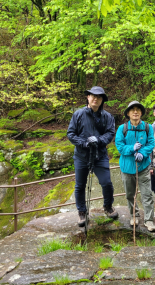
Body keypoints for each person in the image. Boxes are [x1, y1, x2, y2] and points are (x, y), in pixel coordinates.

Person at [67, 86, 118, 227]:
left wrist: (99, 140)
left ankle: (108, 206)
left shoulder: (107, 117)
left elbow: (110, 133)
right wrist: (84, 143)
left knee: (107, 183)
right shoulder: (78, 114)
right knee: (80, 186)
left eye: (99, 97)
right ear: (88, 97)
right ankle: (82, 212)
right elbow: (71, 134)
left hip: (100, 156)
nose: (95, 99)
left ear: (102, 100)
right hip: (81, 156)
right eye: (93, 96)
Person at [115, 101, 155, 232]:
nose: (135, 112)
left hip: (143, 167)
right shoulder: (123, 128)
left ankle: (149, 220)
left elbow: (151, 143)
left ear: (141, 113)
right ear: (128, 113)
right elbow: (119, 146)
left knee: (147, 194)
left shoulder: (148, 127)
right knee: (130, 194)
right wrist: (132, 149)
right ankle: (134, 215)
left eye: (138, 109)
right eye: (132, 110)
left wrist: (143, 154)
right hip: (127, 167)